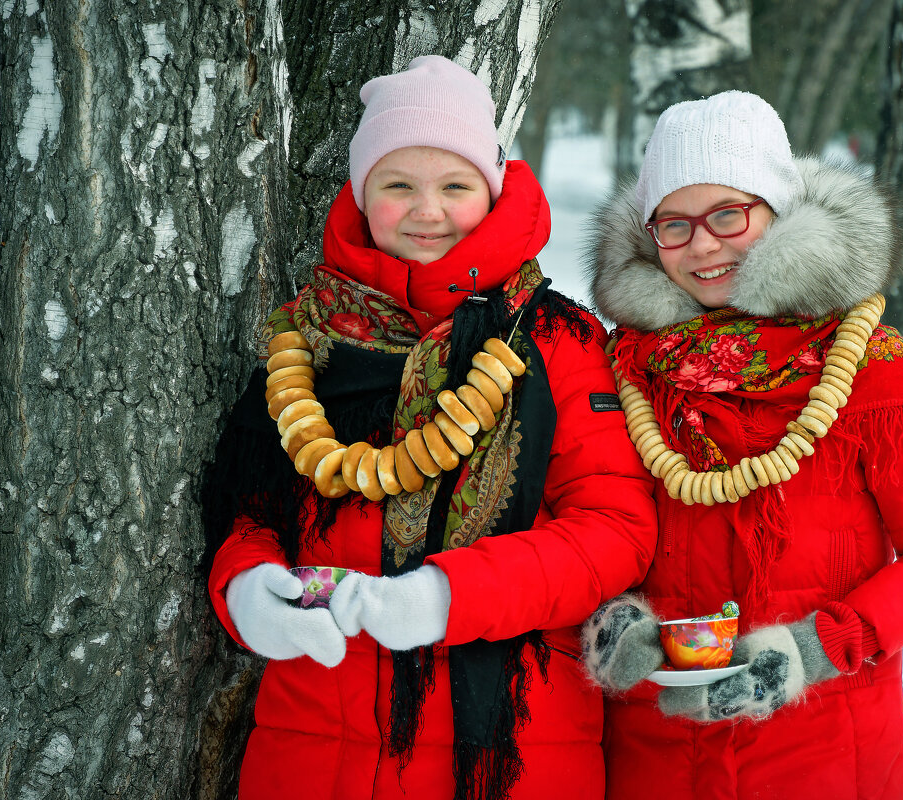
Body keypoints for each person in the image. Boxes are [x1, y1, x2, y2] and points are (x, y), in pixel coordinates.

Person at [203, 56, 656, 800]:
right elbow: (249, 509)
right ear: (360, 193)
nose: (427, 212)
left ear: (493, 189)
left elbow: (615, 531)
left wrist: (449, 597)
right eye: (397, 186)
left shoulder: (558, 341)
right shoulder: (306, 338)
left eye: (455, 186)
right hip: (313, 749)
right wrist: (247, 589)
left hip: (511, 756)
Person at [580, 90, 903, 800]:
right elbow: (587, 527)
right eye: (674, 225)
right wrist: (614, 620)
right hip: (655, 758)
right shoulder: (617, 369)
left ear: (777, 215)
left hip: (827, 755)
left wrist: (818, 649)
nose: (703, 245)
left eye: (728, 215)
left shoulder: (866, 364)